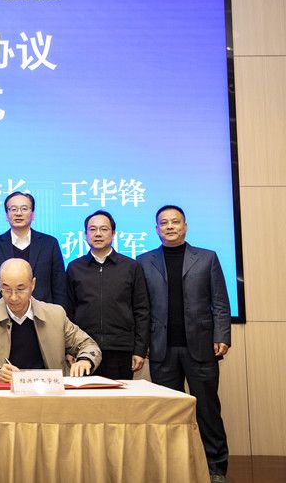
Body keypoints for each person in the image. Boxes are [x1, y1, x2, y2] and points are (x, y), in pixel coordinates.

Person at [137, 205, 230, 483]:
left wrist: (222, 335)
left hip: (201, 347)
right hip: (162, 349)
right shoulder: (144, 261)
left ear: (185, 226)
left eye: (175, 222)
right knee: (170, 412)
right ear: (156, 229)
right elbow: (141, 308)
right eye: (164, 223)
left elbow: (220, 302)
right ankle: (176, 467)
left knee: (207, 411)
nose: (170, 226)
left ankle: (216, 467)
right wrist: (142, 346)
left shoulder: (207, 258)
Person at [0, 259, 101, 382]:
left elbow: (88, 345)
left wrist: (85, 360)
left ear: (33, 284)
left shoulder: (55, 315)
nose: (13, 297)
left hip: (50, 393)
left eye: (20, 289)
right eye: (6, 289)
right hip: (4, 393)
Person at [65, 210, 150, 380]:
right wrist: (69, 348)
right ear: (85, 234)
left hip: (121, 348)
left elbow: (142, 310)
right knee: (86, 396)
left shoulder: (131, 267)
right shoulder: (74, 267)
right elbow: (68, 311)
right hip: (84, 350)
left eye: (104, 229)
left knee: (120, 396)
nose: (98, 234)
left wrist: (140, 350)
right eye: (92, 229)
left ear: (113, 234)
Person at [0, 191, 66, 307]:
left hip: (43, 314)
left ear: (33, 214)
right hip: (3, 314)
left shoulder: (50, 244)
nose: (18, 213)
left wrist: (59, 314)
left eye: (24, 209)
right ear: (7, 215)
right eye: (13, 209)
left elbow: (59, 287)